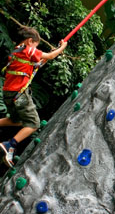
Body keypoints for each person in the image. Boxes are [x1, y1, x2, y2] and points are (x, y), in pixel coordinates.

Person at [0, 26, 67, 167]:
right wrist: (62, 48)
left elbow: (39, 63)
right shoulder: (29, 49)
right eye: (36, 45)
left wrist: (53, 51)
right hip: (20, 95)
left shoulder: (17, 52)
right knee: (34, 123)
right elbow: (48, 57)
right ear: (30, 41)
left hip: (8, 93)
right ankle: (9, 145)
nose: (36, 48)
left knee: (18, 120)